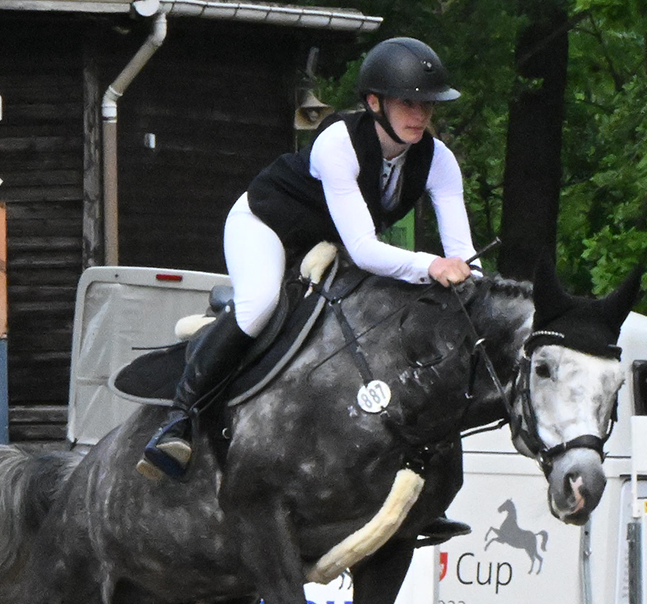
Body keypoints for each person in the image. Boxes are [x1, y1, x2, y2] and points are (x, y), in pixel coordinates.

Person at [139, 36, 479, 482]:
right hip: (265, 225)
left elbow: (464, 255)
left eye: (428, 105)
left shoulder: (438, 160)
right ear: (374, 103)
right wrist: (430, 265)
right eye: (408, 103)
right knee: (260, 303)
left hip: (325, 244)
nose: (421, 115)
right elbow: (365, 248)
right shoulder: (338, 142)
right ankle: (178, 420)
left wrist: (476, 289)